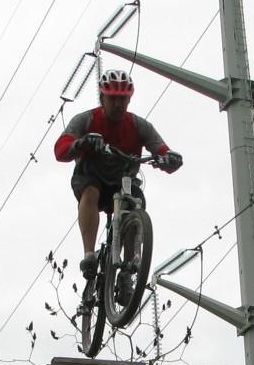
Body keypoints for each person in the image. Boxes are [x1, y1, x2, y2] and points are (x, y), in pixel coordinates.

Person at [54, 69, 183, 280]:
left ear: (129, 100)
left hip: (123, 182)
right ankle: (89, 255)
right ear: (102, 97)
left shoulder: (139, 126)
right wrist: (81, 143)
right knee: (91, 191)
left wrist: (170, 159)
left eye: (123, 99)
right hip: (92, 176)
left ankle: (128, 269)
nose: (117, 104)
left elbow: (161, 150)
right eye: (113, 99)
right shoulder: (86, 120)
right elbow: (60, 149)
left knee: (135, 201)